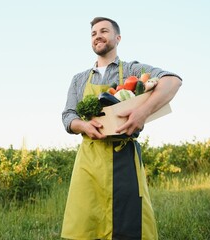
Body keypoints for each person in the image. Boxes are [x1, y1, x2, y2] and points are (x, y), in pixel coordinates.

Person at [61, 17, 182, 240]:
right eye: (93, 33)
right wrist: (84, 125)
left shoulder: (132, 70)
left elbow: (173, 81)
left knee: (130, 225)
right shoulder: (79, 79)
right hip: (90, 160)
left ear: (117, 38)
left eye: (104, 31)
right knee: (86, 225)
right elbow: (68, 116)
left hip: (124, 157)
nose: (98, 35)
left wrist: (142, 112)